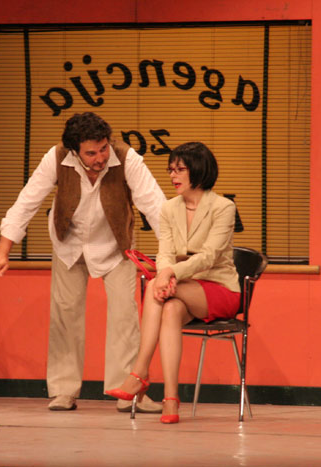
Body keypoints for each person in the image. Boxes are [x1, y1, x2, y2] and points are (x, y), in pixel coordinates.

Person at [0, 112, 166, 412]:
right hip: (68, 244)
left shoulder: (127, 158)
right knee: (65, 316)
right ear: (75, 151)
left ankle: (128, 392)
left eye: (103, 148)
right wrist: (3, 251)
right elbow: (27, 201)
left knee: (125, 317)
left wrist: (172, 258)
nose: (100, 157)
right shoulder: (56, 158)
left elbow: (156, 207)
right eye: (91, 153)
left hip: (116, 246)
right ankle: (63, 391)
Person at [106, 141, 240, 424]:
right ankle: (170, 399)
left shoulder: (223, 207)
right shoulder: (168, 209)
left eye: (180, 169)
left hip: (219, 288)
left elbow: (209, 256)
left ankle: (139, 372)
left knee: (155, 290)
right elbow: (165, 251)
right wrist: (165, 273)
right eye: (170, 170)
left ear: (198, 170)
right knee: (168, 308)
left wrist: (168, 275)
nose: (172, 175)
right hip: (181, 288)